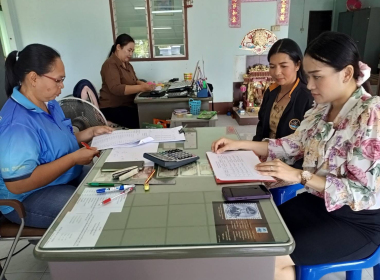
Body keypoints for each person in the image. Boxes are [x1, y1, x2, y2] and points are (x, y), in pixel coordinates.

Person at [212, 31, 380, 280]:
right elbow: (290, 145)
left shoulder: (370, 115)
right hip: (316, 204)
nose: (309, 85)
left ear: (346, 73)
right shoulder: (321, 109)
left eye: (317, 77)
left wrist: (300, 176)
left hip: (355, 220)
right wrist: (240, 144)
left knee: (273, 259)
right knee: (247, 231)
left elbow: (364, 193)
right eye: (308, 77)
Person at [0, 44, 113, 229]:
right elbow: (18, 184)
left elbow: (54, 143)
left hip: (63, 177)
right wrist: (74, 158)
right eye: (58, 80)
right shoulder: (17, 124)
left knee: (110, 184)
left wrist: (89, 132)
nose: (62, 86)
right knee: (91, 209)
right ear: (34, 78)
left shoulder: (50, 104)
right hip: (26, 197)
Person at [254, 39, 313, 169]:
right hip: (265, 159)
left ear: (297, 65)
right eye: (272, 66)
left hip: (290, 168)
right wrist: (253, 152)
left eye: (283, 66)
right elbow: (261, 126)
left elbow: (307, 145)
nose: (276, 72)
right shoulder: (271, 91)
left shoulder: (307, 97)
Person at [99, 34, 155, 128]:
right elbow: (116, 88)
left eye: (132, 51)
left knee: (149, 112)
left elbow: (135, 80)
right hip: (113, 108)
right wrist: (141, 87)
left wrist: (145, 85)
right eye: (129, 50)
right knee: (143, 120)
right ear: (118, 47)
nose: (131, 54)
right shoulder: (110, 65)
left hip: (128, 105)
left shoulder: (127, 64)